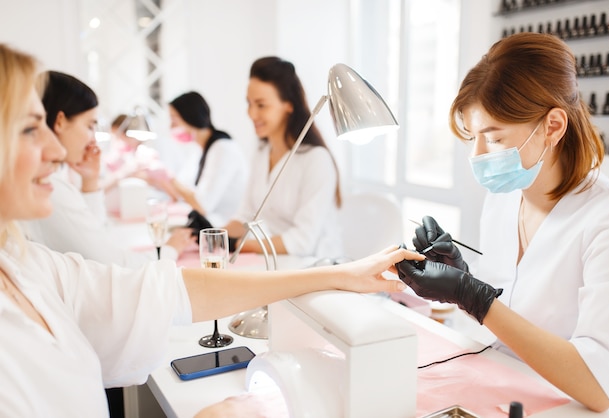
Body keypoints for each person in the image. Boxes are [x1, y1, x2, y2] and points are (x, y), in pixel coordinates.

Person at [0, 43, 419, 417]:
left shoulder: (30, 268)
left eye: (261, 105)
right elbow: (168, 273)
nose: (56, 152)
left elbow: (166, 289)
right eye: (29, 129)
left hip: (297, 263)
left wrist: (338, 274)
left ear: (287, 105)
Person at [396, 32, 609, 412]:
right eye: (473, 137)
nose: (477, 155)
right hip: (502, 384)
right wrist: (464, 281)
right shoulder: (502, 200)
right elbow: (509, 318)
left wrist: (475, 296)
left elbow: (600, 385)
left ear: (553, 126)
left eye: (495, 138)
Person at [18, 70, 192, 267]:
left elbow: (96, 237)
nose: (93, 138)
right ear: (60, 122)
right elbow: (113, 265)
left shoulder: (52, 181)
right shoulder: (51, 188)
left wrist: (90, 181)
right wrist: (170, 250)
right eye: (90, 125)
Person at [224, 56, 342, 258]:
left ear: (288, 105)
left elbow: (302, 241)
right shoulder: (261, 152)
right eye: (249, 103)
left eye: (261, 105)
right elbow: (246, 216)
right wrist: (214, 235)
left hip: (312, 266)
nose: (251, 114)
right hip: (271, 262)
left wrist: (239, 245)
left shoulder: (316, 160)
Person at [141, 91, 248, 227]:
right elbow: (180, 193)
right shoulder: (199, 150)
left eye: (174, 119)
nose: (171, 127)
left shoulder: (223, 149)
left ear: (191, 117)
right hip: (209, 225)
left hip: (225, 230)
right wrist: (156, 177)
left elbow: (203, 205)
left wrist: (168, 176)